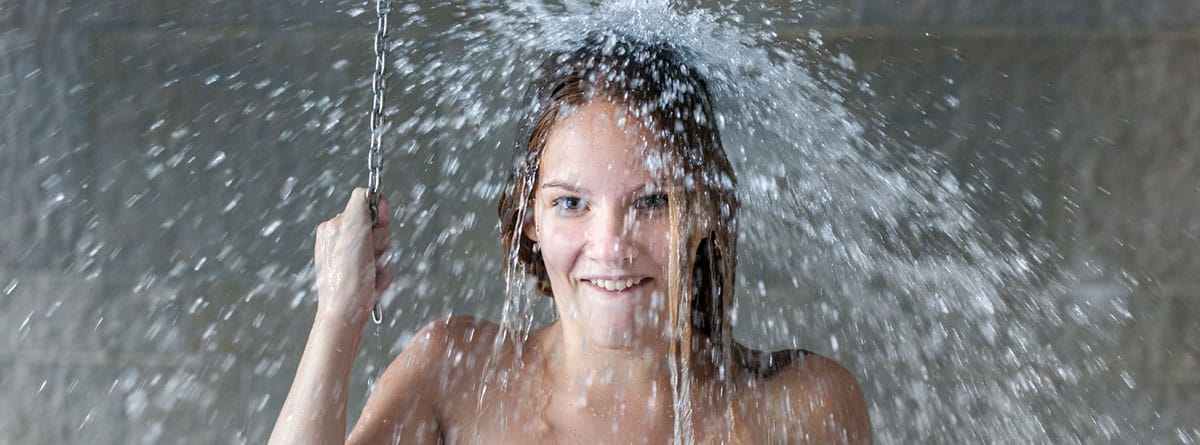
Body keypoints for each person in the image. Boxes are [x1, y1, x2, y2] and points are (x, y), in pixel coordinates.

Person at [270, 33, 871, 444]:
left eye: (653, 201)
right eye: (572, 203)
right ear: (531, 218)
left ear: (708, 208)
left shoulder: (803, 407)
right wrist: (339, 317)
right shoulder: (454, 375)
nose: (611, 244)